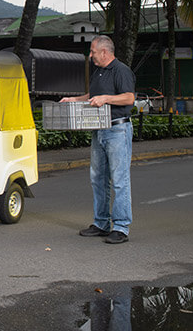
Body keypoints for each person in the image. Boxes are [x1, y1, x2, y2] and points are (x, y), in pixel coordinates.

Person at [61, 35, 135, 245]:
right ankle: (101, 223)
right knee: (98, 178)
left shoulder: (121, 70)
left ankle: (120, 227)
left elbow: (129, 97)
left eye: (93, 51)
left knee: (119, 179)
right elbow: (93, 95)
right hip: (99, 130)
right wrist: (74, 100)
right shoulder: (99, 71)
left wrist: (107, 99)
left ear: (104, 52)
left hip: (117, 129)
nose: (90, 55)